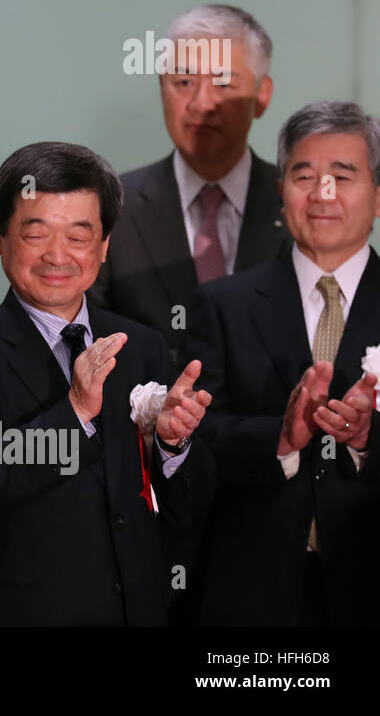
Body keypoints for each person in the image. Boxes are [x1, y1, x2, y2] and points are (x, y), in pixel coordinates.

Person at [0, 142, 216, 625]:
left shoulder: (141, 345)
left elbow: (188, 507)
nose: (58, 256)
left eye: (79, 236)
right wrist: (74, 413)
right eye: (35, 234)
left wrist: (174, 444)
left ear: (104, 245)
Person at [182, 101, 380, 626]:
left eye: (343, 174)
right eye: (304, 175)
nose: (322, 193)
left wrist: (366, 439)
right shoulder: (220, 304)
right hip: (253, 597)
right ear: (281, 190)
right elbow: (191, 444)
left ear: (379, 196)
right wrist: (279, 440)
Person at [90, 4, 288, 363]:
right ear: (162, 88)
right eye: (184, 82)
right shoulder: (111, 206)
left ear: (262, 95)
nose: (202, 103)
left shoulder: (299, 203)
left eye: (224, 83)